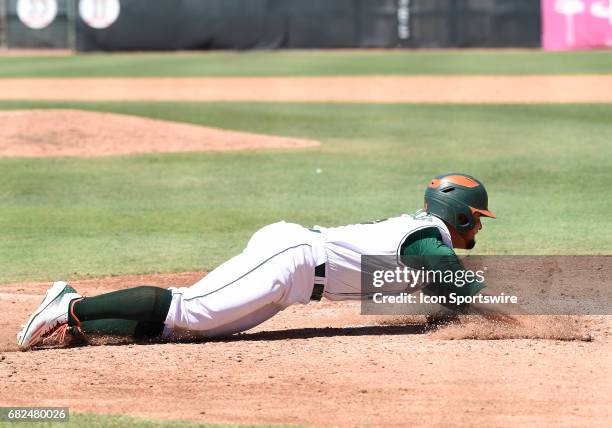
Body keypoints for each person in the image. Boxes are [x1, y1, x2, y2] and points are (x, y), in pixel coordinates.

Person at [17, 172, 516, 350]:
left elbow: (449, 296)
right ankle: (71, 304)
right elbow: (462, 290)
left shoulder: (425, 238)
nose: (479, 227)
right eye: (476, 218)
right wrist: (521, 319)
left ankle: (85, 328)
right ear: (459, 216)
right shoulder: (428, 239)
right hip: (293, 260)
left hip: (296, 278)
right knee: (190, 310)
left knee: (193, 331)